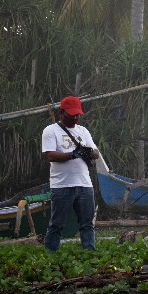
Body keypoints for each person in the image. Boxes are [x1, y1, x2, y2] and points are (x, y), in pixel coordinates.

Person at [41, 96, 99, 252]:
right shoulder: (50, 130)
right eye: (71, 114)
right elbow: (51, 156)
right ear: (61, 113)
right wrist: (73, 155)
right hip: (61, 185)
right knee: (57, 224)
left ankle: (89, 252)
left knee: (87, 223)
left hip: (84, 184)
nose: (75, 117)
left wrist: (89, 153)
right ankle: (50, 254)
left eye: (77, 115)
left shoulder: (83, 131)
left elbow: (96, 152)